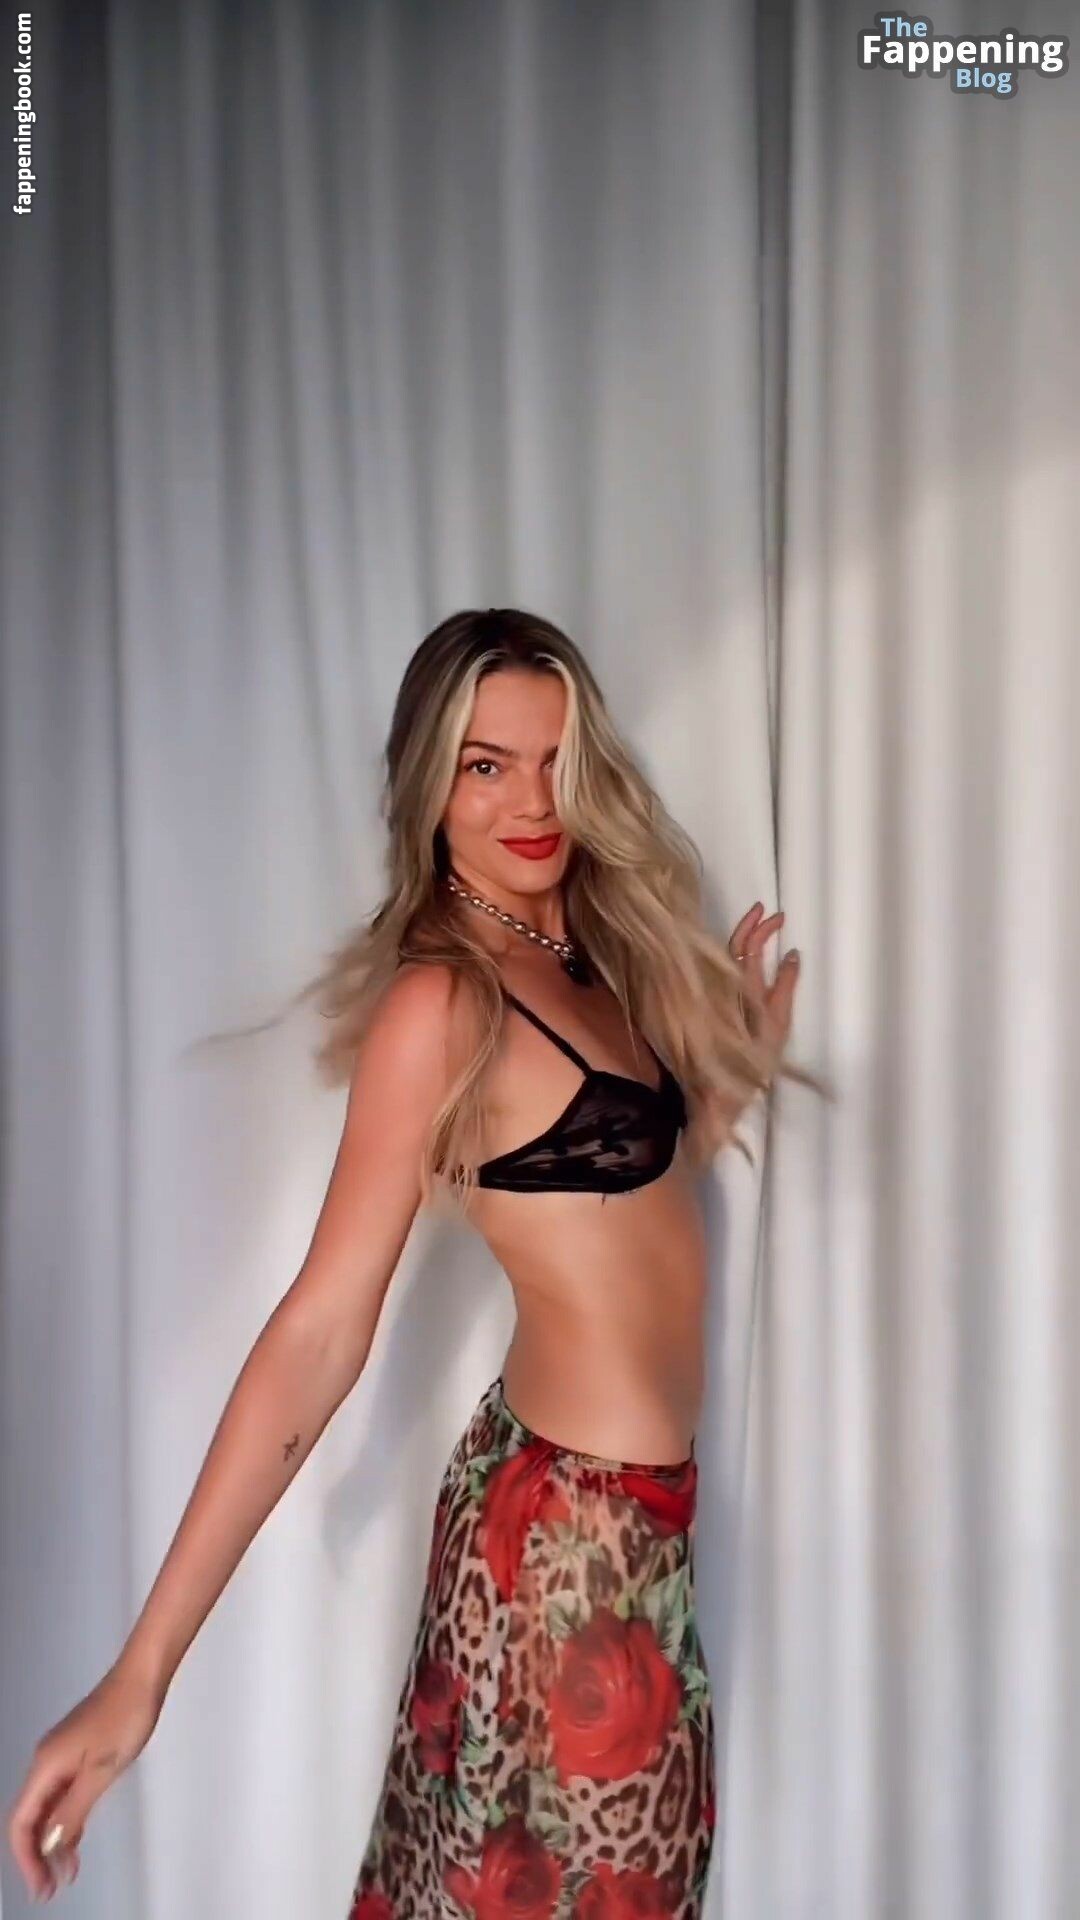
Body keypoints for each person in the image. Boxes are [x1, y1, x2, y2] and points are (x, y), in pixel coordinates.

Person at [7, 609, 818, 1912]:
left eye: (554, 759)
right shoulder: (441, 1005)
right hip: (558, 1551)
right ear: (428, 786)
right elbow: (320, 1332)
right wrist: (139, 1677)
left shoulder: (589, 959)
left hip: (632, 1531)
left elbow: (611, 1211)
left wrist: (718, 1087)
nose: (532, 803)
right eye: (487, 766)